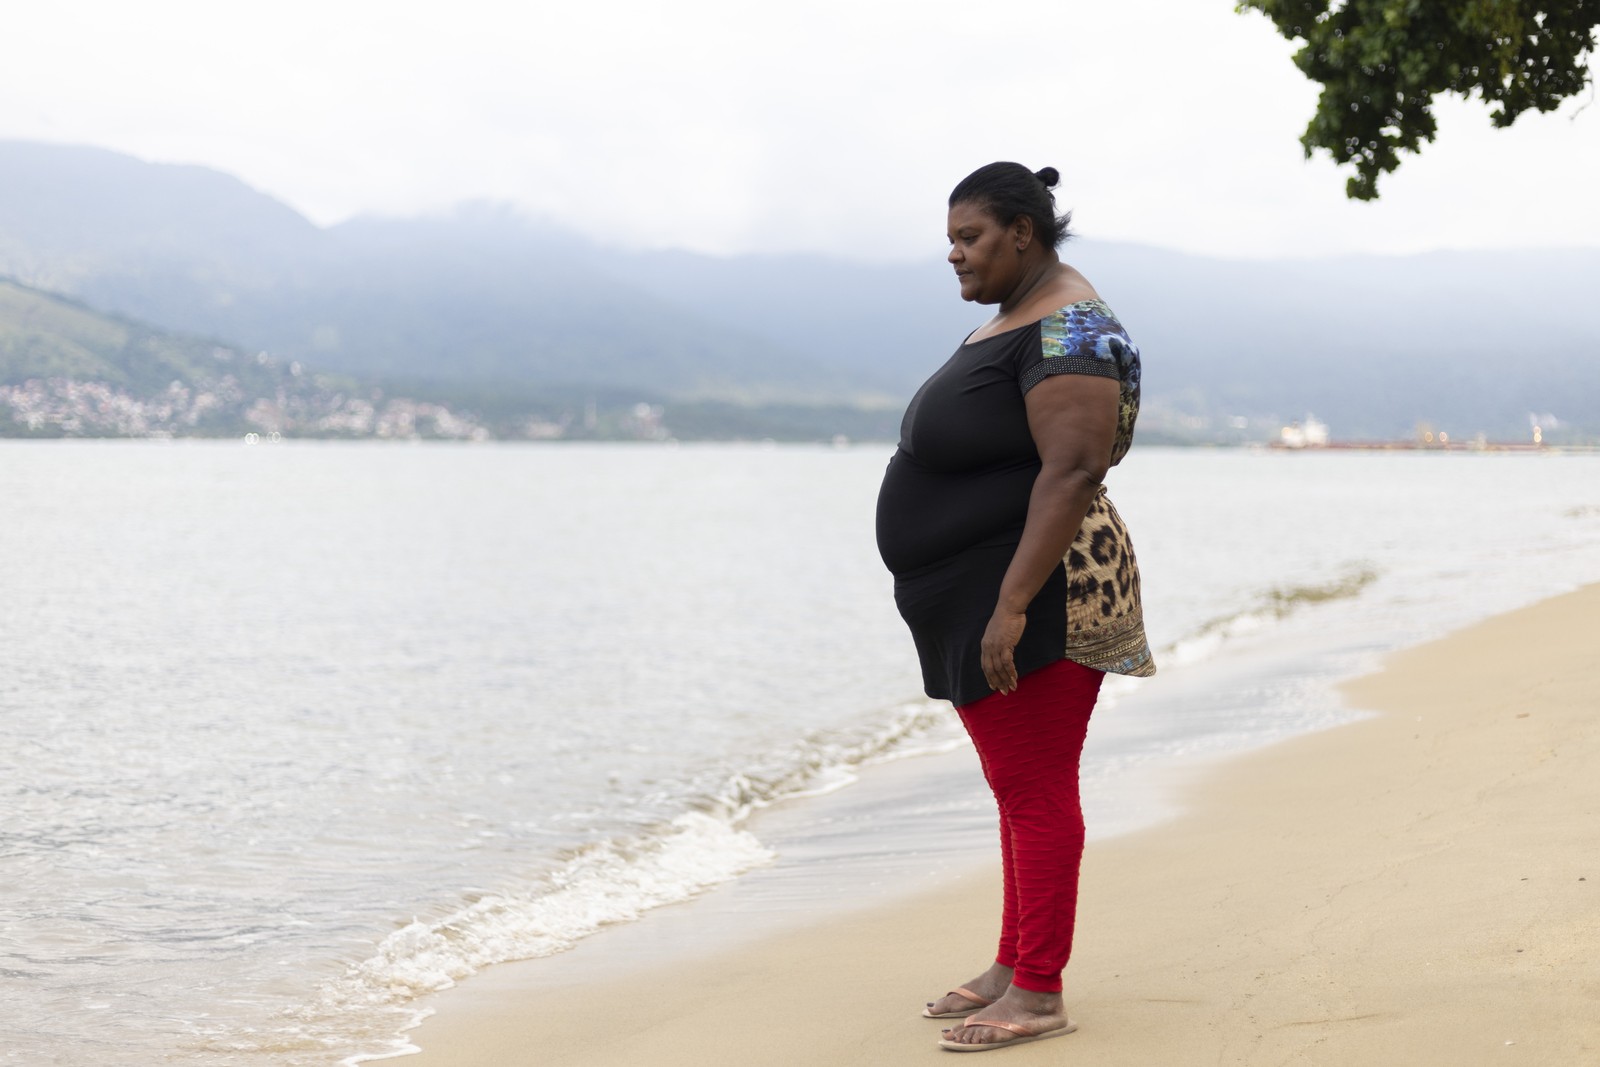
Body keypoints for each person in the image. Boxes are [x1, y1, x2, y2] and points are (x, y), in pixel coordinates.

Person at [874, 161, 1155, 1052]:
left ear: (1022, 233)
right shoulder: (1019, 318)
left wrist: (1011, 605)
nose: (954, 255)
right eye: (950, 240)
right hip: (994, 590)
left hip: (1044, 592)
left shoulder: (1072, 323)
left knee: (1035, 788)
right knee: (1016, 787)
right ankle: (1014, 960)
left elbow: (1073, 469)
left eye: (970, 238)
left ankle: (1038, 991)